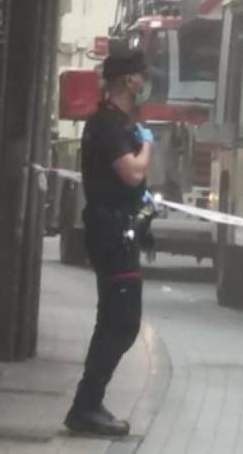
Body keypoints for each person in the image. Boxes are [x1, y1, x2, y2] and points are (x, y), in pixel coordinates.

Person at [64, 49, 155, 437]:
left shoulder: (118, 123)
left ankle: (88, 404)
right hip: (111, 235)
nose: (145, 84)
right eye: (141, 77)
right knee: (121, 322)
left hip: (119, 233)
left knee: (117, 321)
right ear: (127, 80)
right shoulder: (106, 125)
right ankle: (86, 406)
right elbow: (132, 173)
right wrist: (147, 146)